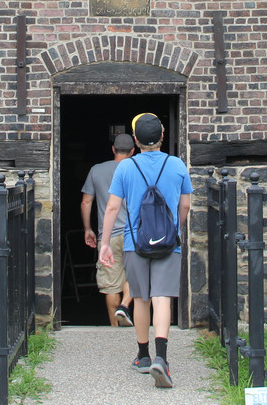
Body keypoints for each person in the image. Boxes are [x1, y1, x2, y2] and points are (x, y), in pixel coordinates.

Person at [99, 113, 192, 388]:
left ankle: (142, 356)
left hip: (134, 242)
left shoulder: (125, 169)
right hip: (167, 242)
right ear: (162, 137)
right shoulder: (176, 165)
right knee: (163, 297)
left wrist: (105, 243)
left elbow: (113, 207)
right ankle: (161, 358)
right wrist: (174, 231)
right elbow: (185, 206)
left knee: (141, 299)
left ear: (136, 140)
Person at [80, 133, 136, 327]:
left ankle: (114, 328)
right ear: (133, 151)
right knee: (133, 277)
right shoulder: (138, 169)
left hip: (108, 236)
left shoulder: (97, 170)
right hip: (133, 235)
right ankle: (125, 306)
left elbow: (86, 202)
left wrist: (88, 229)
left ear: (113, 149)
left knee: (111, 284)